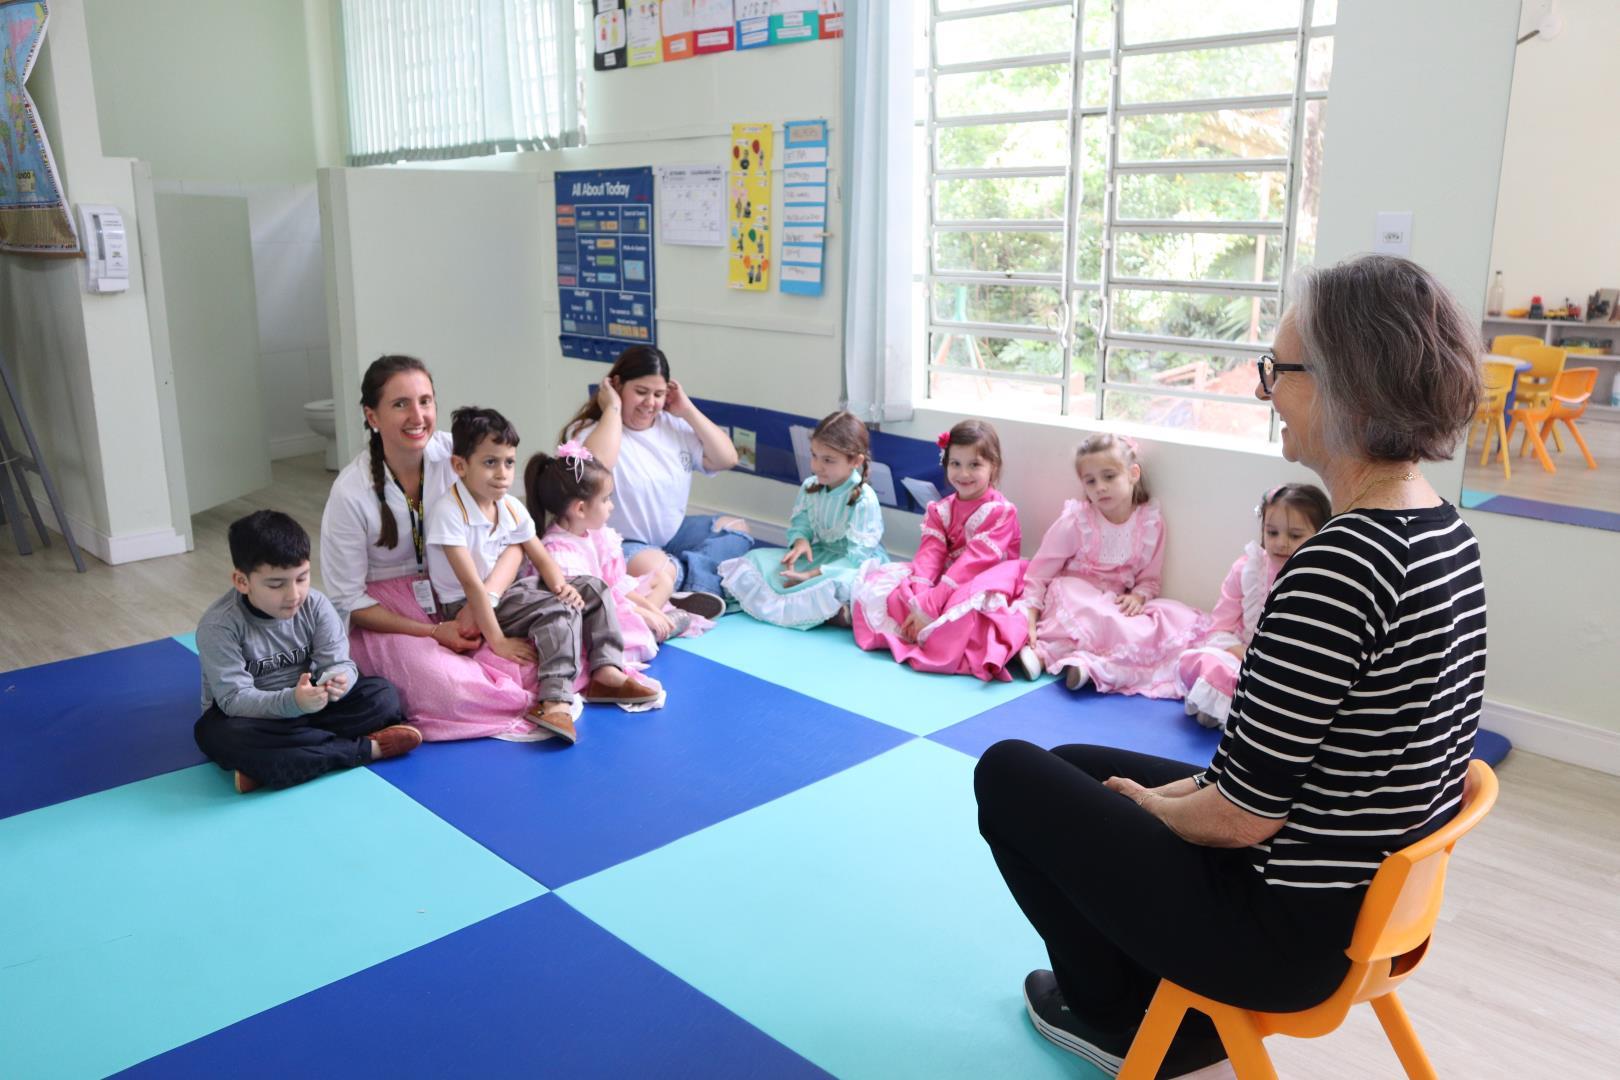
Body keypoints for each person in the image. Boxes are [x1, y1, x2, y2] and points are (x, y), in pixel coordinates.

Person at [974, 253, 1486, 1077]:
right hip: (1367, 908)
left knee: (1006, 773)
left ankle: (1116, 1016)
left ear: (1340, 383)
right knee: (1069, 767)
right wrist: (1152, 800)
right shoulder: (1442, 532)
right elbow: (1284, 772)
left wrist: (1149, 807)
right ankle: (1139, 988)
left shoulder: (1337, 564)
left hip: (1284, 934)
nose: (1264, 391)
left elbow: (1242, 818)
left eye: (1275, 370)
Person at [320, 355, 546, 742]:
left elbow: (516, 541)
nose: (417, 415)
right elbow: (348, 600)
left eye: (425, 401)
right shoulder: (350, 491)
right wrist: (432, 632)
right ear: (372, 417)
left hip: (468, 595)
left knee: (533, 659)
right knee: (451, 688)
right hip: (392, 615)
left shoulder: (457, 455)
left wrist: (483, 601)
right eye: (400, 404)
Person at [425, 407, 659, 745]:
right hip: (469, 603)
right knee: (556, 611)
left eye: (508, 462)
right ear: (460, 466)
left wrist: (562, 586)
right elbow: (473, 586)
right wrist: (498, 641)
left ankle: (606, 671)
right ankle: (555, 700)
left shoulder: (509, 506)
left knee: (592, 587)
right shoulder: (449, 513)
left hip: (511, 591)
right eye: (490, 463)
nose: (502, 473)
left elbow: (540, 555)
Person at [194, 510, 419, 793]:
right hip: (254, 718)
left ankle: (272, 765)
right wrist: (294, 702)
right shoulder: (219, 625)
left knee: (383, 697)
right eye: (276, 584)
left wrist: (338, 681)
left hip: (310, 707)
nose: (294, 595)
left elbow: (340, 663)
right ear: (242, 581)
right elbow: (234, 700)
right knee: (216, 735)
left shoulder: (316, 605)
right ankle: (367, 749)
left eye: (302, 578)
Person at [1017, 434, 1211, 696]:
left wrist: (1139, 596)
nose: (1100, 487)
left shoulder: (1150, 523)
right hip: (1079, 597)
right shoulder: (1077, 521)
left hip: (1115, 604)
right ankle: (1041, 654)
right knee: (1076, 596)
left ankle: (1094, 667)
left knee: (1170, 616)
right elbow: (1039, 573)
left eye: (1109, 477)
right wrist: (1028, 619)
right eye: (1091, 481)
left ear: (1133, 474)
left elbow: (1150, 577)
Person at [562, 345, 746, 614]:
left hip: (673, 534)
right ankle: (694, 580)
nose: (650, 403)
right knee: (657, 568)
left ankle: (682, 581)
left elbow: (727, 458)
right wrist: (612, 408)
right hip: (623, 542)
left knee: (737, 529)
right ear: (616, 385)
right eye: (641, 392)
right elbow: (595, 467)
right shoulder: (588, 433)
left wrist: (688, 410)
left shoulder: (674, 426)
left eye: (658, 394)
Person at [850, 419, 1031, 681]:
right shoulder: (941, 509)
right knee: (895, 589)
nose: (964, 474)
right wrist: (920, 601)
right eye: (955, 464)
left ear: (994, 467)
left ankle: (973, 642)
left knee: (965, 610)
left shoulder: (1001, 512)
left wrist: (931, 606)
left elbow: (974, 562)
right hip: (948, 577)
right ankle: (922, 625)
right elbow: (929, 555)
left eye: (975, 465)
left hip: (984, 578)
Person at [1175, 483, 1331, 729]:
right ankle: (1230, 710)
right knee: (1204, 660)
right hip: (1245, 660)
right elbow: (1220, 629)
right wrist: (1248, 655)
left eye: (1295, 535)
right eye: (1272, 532)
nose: (1281, 543)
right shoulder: (1248, 569)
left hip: (1290, 670)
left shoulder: (1323, 580)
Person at [527, 440, 688, 673]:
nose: (611, 506)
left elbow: (617, 585)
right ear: (580, 509)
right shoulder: (559, 552)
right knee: (622, 634)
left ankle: (657, 621)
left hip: (610, 600)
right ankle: (653, 628)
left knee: (662, 579)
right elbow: (594, 605)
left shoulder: (596, 534)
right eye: (605, 499)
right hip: (588, 616)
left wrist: (648, 610)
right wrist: (641, 613)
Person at [718, 410, 887, 630]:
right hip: (820, 555)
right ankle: (829, 612)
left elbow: (855, 559)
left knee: (842, 584)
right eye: (814, 456)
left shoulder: (864, 500)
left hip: (848, 565)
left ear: (855, 461)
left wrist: (809, 575)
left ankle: (838, 610)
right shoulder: (810, 486)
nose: (817, 466)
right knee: (755, 560)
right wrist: (801, 542)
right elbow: (801, 525)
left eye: (828, 460)